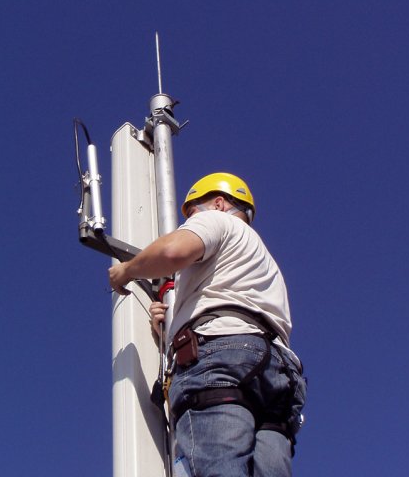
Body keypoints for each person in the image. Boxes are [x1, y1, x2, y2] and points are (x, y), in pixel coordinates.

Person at [109, 172, 306, 477]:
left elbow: (173, 251)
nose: (191, 221)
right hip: (280, 375)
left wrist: (128, 270)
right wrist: (170, 329)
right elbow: (235, 308)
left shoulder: (217, 220)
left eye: (192, 214)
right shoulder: (264, 264)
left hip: (224, 357)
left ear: (219, 203)